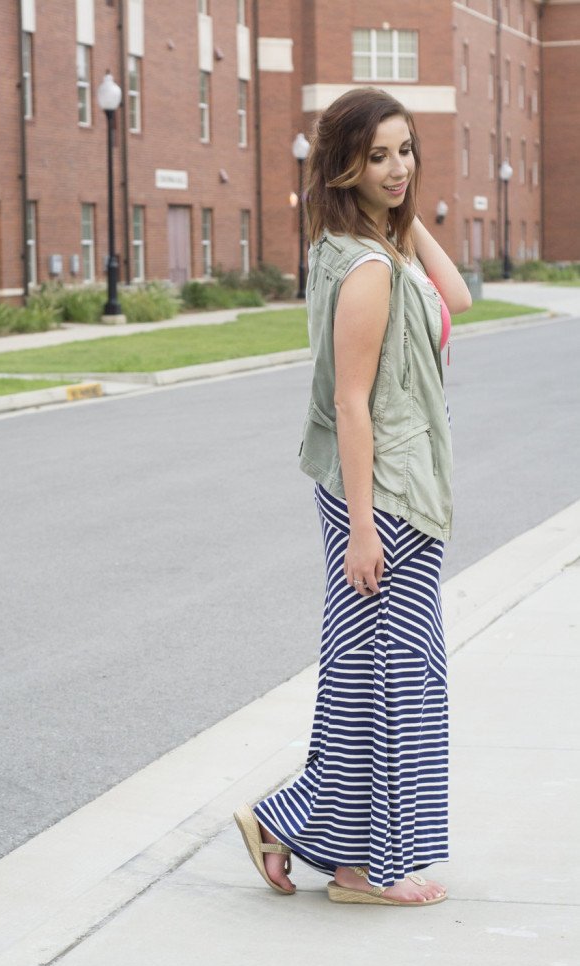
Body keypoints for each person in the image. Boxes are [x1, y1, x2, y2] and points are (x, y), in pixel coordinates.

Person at [234, 87, 472, 906]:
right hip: (386, 498)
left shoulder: (358, 246)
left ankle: (315, 842)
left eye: (405, 151)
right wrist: (364, 531)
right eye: (376, 156)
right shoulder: (367, 271)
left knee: (369, 673)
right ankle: (358, 862)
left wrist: (398, 210)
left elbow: (459, 298)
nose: (398, 167)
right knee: (396, 678)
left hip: (385, 490)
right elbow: (349, 403)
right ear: (343, 165)